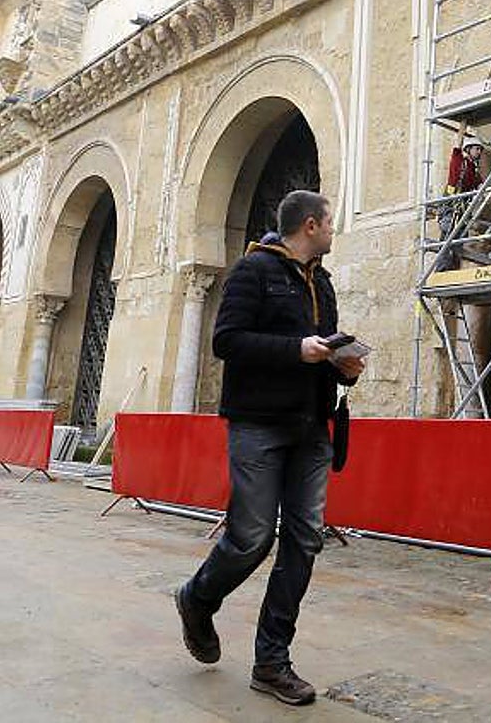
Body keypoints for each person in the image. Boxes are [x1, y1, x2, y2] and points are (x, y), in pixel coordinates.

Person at [174, 189, 365, 707]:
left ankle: (272, 661)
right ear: (309, 225)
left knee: (304, 541)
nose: (332, 231)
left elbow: (321, 347)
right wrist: (295, 350)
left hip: (311, 431)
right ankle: (197, 598)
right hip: (258, 426)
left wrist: (340, 362)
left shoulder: (321, 282)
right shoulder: (251, 272)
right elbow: (227, 341)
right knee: (252, 537)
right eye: (329, 223)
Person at [434, 123, 485, 271]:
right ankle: (442, 269)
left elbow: (481, 186)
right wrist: (463, 124)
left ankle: (454, 269)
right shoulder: (458, 161)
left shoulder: (474, 171)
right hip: (450, 206)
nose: (479, 152)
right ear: (468, 149)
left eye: (480, 149)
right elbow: (458, 141)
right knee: (448, 236)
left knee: (459, 240)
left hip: (462, 209)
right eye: (477, 149)